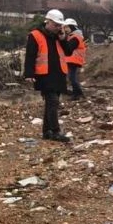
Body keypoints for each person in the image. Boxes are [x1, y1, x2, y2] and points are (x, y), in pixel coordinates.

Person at [23, 9, 75, 142]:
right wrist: (29, 73)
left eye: (60, 25)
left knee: (51, 103)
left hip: (58, 74)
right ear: (48, 21)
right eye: (56, 25)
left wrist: (63, 39)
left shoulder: (59, 36)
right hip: (44, 75)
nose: (58, 28)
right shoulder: (35, 35)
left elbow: (69, 52)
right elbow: (30, 55)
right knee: (53, 102)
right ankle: (56, 131)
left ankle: (46, 132)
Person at [62, 18, 86, 100]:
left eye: (66, 27)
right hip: (72, 59)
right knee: (71, 77)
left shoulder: (75, 37)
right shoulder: (72, 36)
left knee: (72, 77)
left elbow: (68, 48)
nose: (65, 29)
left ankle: (78, 94)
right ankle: (76, 93)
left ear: (71, 27)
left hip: (74, 59)